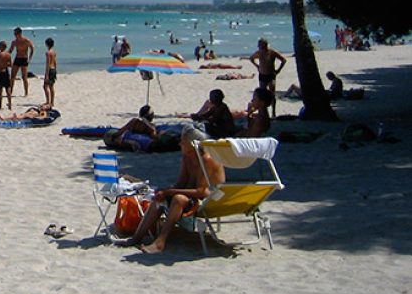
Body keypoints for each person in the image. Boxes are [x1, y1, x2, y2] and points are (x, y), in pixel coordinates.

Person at [116, 125, 225, 253]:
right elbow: (181, 183)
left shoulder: (206, 160)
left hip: (210, 199)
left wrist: (170, 192)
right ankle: (137, 237)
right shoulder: (188, 157)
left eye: (183, 142)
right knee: (159, 197)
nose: (180, 144)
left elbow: (202, 191)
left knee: (178, 199)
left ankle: (160, 242)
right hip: (194, 195)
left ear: (192, 144)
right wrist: (164, 192)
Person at [249, 38, 286, 114]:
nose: (259, 47)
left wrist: (279, 70)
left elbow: (283, 60)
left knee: (272, 94)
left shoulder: (272, 52)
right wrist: (257, 66)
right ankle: (263, 111)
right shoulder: (259, 53)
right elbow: (251, 58)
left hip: (271, 75)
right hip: (262, 75)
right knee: (262, 94)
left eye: (260, 45)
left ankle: (273, 111)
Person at [10, 27, 35, 96]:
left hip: (24, 59)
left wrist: (29, 59)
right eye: (14, 34)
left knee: (24, 77)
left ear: (19, 33)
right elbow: (10, 51)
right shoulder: (14, 42)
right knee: (12, 77)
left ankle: (26, 93)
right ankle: (10, 92)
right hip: (17, 59)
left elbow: (32, 49)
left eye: (15, 33)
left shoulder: (26, 40)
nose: (14, 35)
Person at [0, 40, 13, 110]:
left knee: (0, 89)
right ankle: (10, 105)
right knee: (8, 89)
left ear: (1, 47)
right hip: (6, 71)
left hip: (0, 72)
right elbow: (11, 65)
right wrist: (5, 64)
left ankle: (0, 106)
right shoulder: (8, 55)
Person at [43, 37, 58, 108]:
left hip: (50, 70)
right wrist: (55, 70)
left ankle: (48, 101)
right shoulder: (54, 52)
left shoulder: (48, 53)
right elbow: (55, 62)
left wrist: (46, 75)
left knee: (45, 86)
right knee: (51, 87)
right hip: (53, 69)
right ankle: (52, 102)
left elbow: (48, 64)